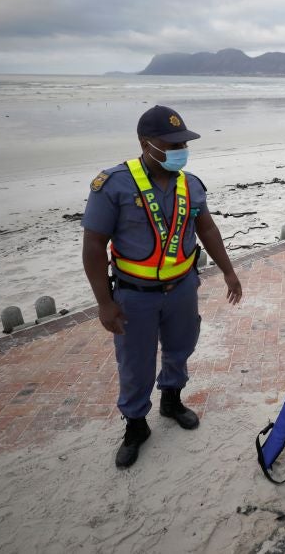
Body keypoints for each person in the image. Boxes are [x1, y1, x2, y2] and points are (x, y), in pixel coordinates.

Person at [82, 105, 243, 469]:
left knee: (181, 347)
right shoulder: (114, 185)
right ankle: (136, 425)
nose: (177, 150)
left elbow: (208, 230)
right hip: (134, 296)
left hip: (182, 288)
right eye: (169, 143)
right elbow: (93, 245)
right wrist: (104, 304)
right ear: (145, 143)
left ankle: (171, 400)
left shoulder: (190, 183)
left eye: (182, 143)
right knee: (135, 362)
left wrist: (229, 272)